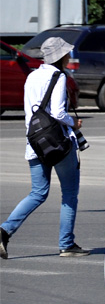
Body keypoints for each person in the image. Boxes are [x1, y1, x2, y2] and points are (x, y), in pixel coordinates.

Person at [0, 36, 89, 258]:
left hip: (35, 143)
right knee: (69, 193)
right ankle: (66, 244)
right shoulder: (58, 76)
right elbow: (58, 113)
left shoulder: (32, 76)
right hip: (58, 144)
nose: (69, 57)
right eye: (66, 53)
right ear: (60, 56)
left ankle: (4, 231)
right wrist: (73, 122)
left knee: (38, 193)